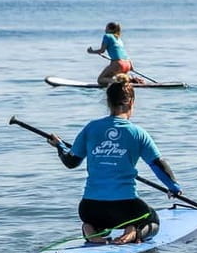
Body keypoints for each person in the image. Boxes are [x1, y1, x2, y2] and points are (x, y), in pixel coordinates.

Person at [47, 73, 182, 244]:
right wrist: (174, 187)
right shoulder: (137, 133)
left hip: (90, 208)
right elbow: (157, 164)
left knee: (96, 221)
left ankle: (90, 229)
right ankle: (133, 231)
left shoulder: (91, 128)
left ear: (108, 102)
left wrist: (60, 146)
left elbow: (71, 161)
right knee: (152, 220)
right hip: (126, 208)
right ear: (132, 103)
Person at [87, 22, 144, 86]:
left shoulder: (107, 36)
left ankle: (120, 81)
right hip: (127, 63)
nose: (105, 30)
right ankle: (131, 80)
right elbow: (123, 52)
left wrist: (91, 51)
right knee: (110, 77)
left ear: (110, 29)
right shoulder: (119, 39)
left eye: (106, 28)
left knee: (101, 80)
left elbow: (102, 50)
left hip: (118, 63)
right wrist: (131, 67)